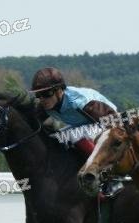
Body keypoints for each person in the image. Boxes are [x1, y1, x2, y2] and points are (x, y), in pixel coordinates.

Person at [30, 67, 122, 196]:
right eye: (38, 95)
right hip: (85, 124)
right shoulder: (45, 105)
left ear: (59, 90)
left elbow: (113, 121)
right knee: (54, 137)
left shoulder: (79, 101)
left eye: (46, 94)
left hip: (108, 120)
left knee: (72, 135)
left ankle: (110, 179)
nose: (42, 99)